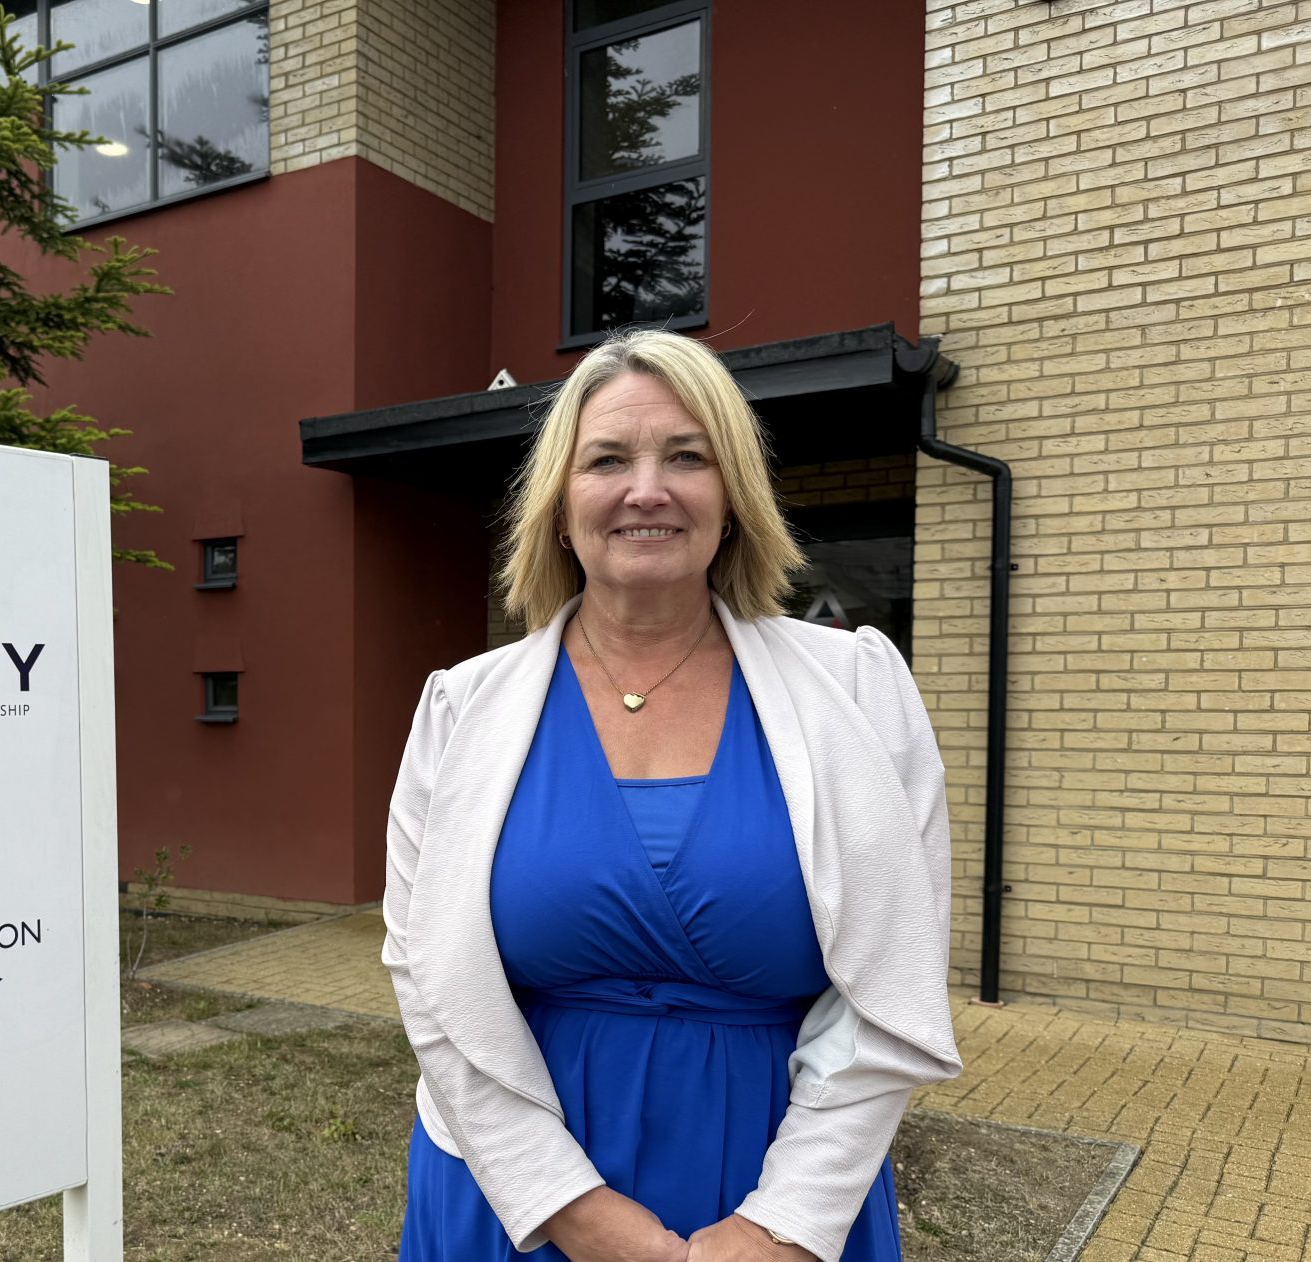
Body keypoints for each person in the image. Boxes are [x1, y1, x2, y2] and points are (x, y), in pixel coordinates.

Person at [383, 329, 963, 1262]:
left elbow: (897, 978)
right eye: (607, 459)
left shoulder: (856, 688)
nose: (647, 489)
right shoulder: (462, 708)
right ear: (559, 505)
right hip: (511, 1193)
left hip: (779, 1182)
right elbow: (427, 976)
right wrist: (566, 1207)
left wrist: (784, 1225)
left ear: (732, 499)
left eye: (688, 457)